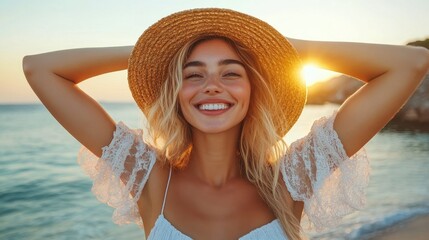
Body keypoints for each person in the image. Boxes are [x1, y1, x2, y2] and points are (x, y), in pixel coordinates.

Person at [23, 8, 429, 240]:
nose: (211, 86)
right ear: (177, 94)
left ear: (253, 91)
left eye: (232, 73)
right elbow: (40, 69)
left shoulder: (291, 179)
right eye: (193, 73)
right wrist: (155, 50)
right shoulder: (149, 179)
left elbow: (409, 63)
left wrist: (278, 48)